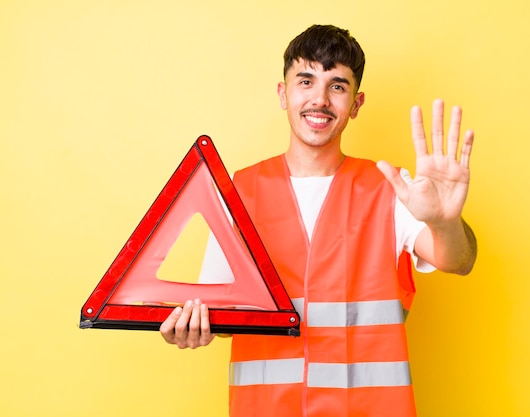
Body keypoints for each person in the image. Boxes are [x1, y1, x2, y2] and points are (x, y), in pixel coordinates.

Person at [160, 24, 477, 417]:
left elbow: (458, 260)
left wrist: (445, 222)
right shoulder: (240, 192)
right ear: (283, 93)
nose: (320, 99)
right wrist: (194, 327)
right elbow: (221, 317)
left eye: (337, 86)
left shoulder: (391, 189)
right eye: (306, 80)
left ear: (356, 104)